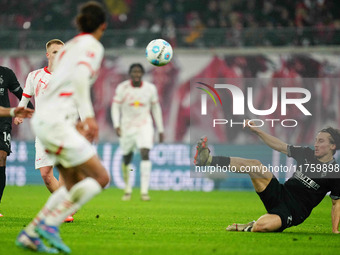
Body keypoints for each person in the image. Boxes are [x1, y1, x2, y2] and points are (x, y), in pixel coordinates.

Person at [16, 2, 109, 253]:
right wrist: (88, 117)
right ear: (103, 25)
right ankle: (49, 225)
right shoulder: (92, 46)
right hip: (57, 123)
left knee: (69, 184)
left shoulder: (70, 48)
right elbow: (79, 78)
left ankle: (32, 233)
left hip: (47, 122)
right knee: (101, 178)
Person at [194, 120, 340, 233]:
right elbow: (279, 145)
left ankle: (250, 226)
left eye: (321, 141)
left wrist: (334, 230)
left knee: (261, 226)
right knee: (255, 165)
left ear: (333, 146)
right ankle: (208, 160)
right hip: (280, 192)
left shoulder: (335, 172)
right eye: (315, 140)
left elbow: (336, 204)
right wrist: (257, 131)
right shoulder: (306, 154)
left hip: (293, 211)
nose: (316, 144)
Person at [13, 39, 74, 223]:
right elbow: (25, 97)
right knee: (46, 175)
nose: (58, 55)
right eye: (55, 52)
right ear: (48, 55)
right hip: (43, 130)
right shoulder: (34, 76)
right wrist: (19, 113)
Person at [111, 63, 164, 201]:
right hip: (127, 126)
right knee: (127, 157)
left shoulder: (150, 89)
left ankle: (144, 192)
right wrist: (116, 124)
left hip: (144, 125)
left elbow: (156, 108)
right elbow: (115, 107)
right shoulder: (122, 88)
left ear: (142, 74)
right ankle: (128, 188)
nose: (136, 74)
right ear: (130, 74)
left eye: (139, 72)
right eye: (134, 72)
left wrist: (161, 128)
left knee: (145, 153)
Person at [0, 66, 34, 218]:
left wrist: (30, 111)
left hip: (3, 123)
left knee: (1, 157)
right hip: (7, 114)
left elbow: (21, 95)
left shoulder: (6, 73)